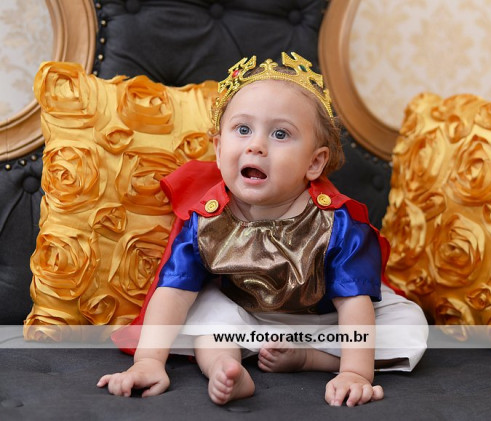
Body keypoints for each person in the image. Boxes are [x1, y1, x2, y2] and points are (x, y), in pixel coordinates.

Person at [98, 52, 428, 407]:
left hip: (328, 319)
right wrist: (148, 360)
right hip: (246, 314)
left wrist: (355, 373)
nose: (255, 145)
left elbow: (352, 303)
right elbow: (174, 291)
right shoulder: (206, 220)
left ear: (315, 162)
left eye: (280, 133)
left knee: (409, 324)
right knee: (203, 311)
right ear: (219, 149)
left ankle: (313, 359)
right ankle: (225, 367)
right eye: (243, 130)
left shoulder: (336, 223)